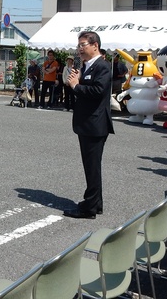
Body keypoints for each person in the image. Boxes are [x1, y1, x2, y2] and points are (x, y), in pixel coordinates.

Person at [64, 31, 114, 219]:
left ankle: (89, 208)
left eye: (83, 45)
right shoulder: (86, 66)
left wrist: (76, 86)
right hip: (86, 123)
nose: (80, 49)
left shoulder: (102, 66)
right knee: (91, 166)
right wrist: (74, 84)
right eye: (79, 45)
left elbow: (98, 91)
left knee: (92, 166)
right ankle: (96, 203)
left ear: (95, 45)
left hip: (95, 124)